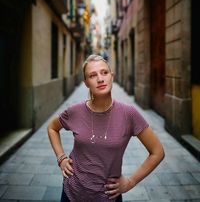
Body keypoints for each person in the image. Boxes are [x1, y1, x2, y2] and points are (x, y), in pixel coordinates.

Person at [47, 54, 165, 202]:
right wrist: (61, 158)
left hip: (109, 197)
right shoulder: (75, 111)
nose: (100, 79)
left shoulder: (129, 114)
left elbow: (157, 152)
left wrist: (130, 182)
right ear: (86, 83)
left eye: (104, 72)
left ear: (111, 76)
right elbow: (52, 128)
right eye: (92, 75)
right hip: (72, 193)